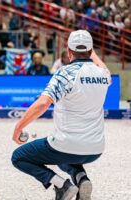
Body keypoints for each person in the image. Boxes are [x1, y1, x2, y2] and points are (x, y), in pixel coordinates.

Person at [11, 30, 111, 200]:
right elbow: (105, 68)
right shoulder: (102, 75)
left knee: (19, 157)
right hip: (96, 149)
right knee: (65, 152)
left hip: (66, 145)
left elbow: (43, 103)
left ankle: (61, 185)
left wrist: (18, 127)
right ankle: (81, 178)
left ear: (69, 51)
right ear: (90, 50)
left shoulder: (65, 73)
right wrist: (91, 51)